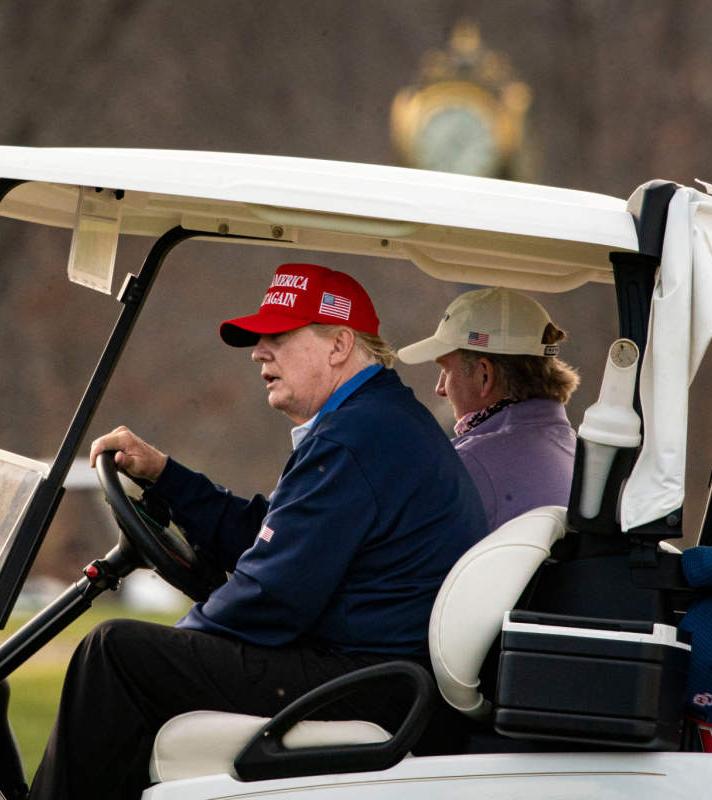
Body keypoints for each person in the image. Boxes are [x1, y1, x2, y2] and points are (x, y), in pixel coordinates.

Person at [30, 263, 488, 800]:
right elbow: (270, 535)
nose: (259, 352)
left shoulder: (354, 439)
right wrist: (165, 477)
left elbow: (271, 596)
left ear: (339, 344)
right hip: (378, 673)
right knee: (141, 656)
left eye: (280, 336)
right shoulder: (376, 421)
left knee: (114, 651)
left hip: (371, 682)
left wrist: (181, 639)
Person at [398, 287, 579, 532]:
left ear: (485, 375)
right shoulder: (579, 452)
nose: (440, 388)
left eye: (446, 370)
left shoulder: (466, 466)